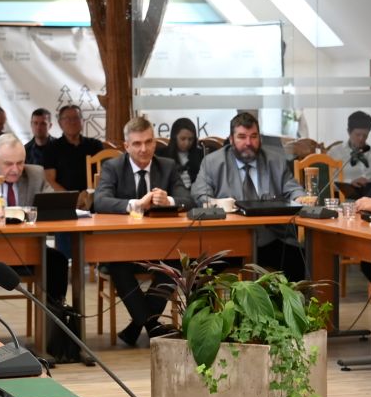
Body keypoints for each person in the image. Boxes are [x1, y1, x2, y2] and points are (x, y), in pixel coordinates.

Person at [93, 114, 193, 346]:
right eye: (137, 143)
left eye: (148, 142)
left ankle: (137, 326)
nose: (143, 149)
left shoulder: (167, 166)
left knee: (175, 263)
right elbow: (100, 201)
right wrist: (135, 204)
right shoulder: (113, 167)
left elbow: (188, 200)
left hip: (159, 247)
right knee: (118, 265)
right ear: (126, 146)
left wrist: (168, 200)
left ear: (155, 143)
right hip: (121, 248)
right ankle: (153, 326)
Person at [192, 111, 308, 279]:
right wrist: (219, 203)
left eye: (254, 136)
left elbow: (292, 188)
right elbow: (199, 194)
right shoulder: (213, 162)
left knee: (299, 260)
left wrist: (300, 198)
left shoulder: (275, 160)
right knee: (199, 272)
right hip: (228, 240)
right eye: (242, 137)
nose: (248, 143)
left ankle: (289, 298)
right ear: (231, 139)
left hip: (271, 238)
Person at [0, 134, 69, 306]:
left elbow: (51, 203)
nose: (15, 169)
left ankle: (55, 315)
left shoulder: (35, 173)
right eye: (9, 164)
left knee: (57, 260)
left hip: (28, 249)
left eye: (20, 163)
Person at [43, 103, 104, 193]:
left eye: (76, 118)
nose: (72, 122)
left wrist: (87, 195)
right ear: (60, 123)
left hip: (92, 196)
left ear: (82, 121)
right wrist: (70, 197)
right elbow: (49, 180)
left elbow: (103, 175)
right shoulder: (51, 148)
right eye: (67, 119)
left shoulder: (95, 145)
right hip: (64, 198)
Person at [325, 111, 371, 192]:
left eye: (365, 135)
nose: (361, 139)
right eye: (357, 135)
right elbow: (327, 183)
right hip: (345, 196)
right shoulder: (334, 153)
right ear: (349, 132)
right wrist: (349, 182)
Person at [162, 116, 206, 185]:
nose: (187, 143)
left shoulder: (201, 154)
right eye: (183, 139)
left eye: (190, 139)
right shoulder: (162, 155)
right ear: (174, 137)